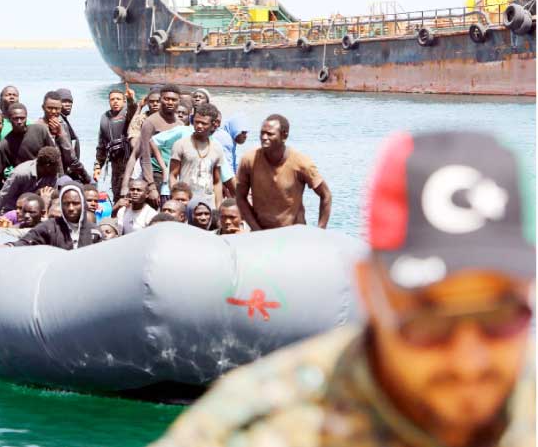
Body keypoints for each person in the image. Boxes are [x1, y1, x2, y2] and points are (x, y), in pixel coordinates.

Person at [149, 131, 536, 447]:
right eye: (428, 318)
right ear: (370, 289)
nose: (468, 359)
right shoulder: (258, 430)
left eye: (500, 316)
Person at [237, 114, 332, 231]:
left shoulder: (301, 163)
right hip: (261, 233)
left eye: (270, 134)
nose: (264, 137)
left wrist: (320, 229)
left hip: (294, 233)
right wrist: (256, 228)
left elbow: (326, 195)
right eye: (262, 133)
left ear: (284, 135)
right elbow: (240, 197)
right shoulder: (249, 160)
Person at [124, 84, 183, 203]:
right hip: (153, 175)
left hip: (173, 175)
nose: (170, 102)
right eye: (166, 99)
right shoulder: (149, 122)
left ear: (179, 101)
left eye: (173, 100)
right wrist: (151, 187)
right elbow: (143, 156)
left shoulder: (180, 125)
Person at [19, 92, 90, 183]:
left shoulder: (62, 125)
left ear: (61, 109)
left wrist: (60, 135)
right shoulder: (37, 127)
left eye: (57, 109)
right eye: (50, 108)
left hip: (63, 175)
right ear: (43, 107)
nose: (53, 112)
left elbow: (70, 155)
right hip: (43, 178)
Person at [7, 182, 102, 249]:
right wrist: (9, 246)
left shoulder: (94, 232)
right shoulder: (49, 228)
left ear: (82, 204)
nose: (71, 208)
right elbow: (26, 242)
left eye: (75, 203)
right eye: (66, 203)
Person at [170, 103, 225, 209]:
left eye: (204, 123)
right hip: (186, 202)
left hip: (208, 204)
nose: (199, 126)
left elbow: (217, 181)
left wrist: (218, 207)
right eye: (197, 122)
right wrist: (177, 199)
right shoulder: (181, 144)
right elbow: (173, 175)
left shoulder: (217, 148)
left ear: (213, 125)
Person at [0, 147, 61, 219]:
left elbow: (51, 199)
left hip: (35, 213)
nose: (57, 170)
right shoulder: (21, 173)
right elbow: (3, 196)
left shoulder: (52, 174)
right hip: (13, 211)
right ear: (47, 166)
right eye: (56, 166)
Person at [93, 84, 138, 202]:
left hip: (129, 161)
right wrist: (98, 166)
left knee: (129, 193)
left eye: (118, 99)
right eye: (112, 99)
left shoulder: (128, 114)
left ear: (123, 101)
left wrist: (131, 100)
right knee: (116, 194)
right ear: (109, 101)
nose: (115, 102)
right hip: (115, 164)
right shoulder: (105, 118)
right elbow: (102, 145)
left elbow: (133, 110)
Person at [56, 87, 82, 160]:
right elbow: (66, 148)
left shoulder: (64, 120)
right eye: (64, 101)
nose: (68, 104)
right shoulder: (59, 122)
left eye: (70, 101)